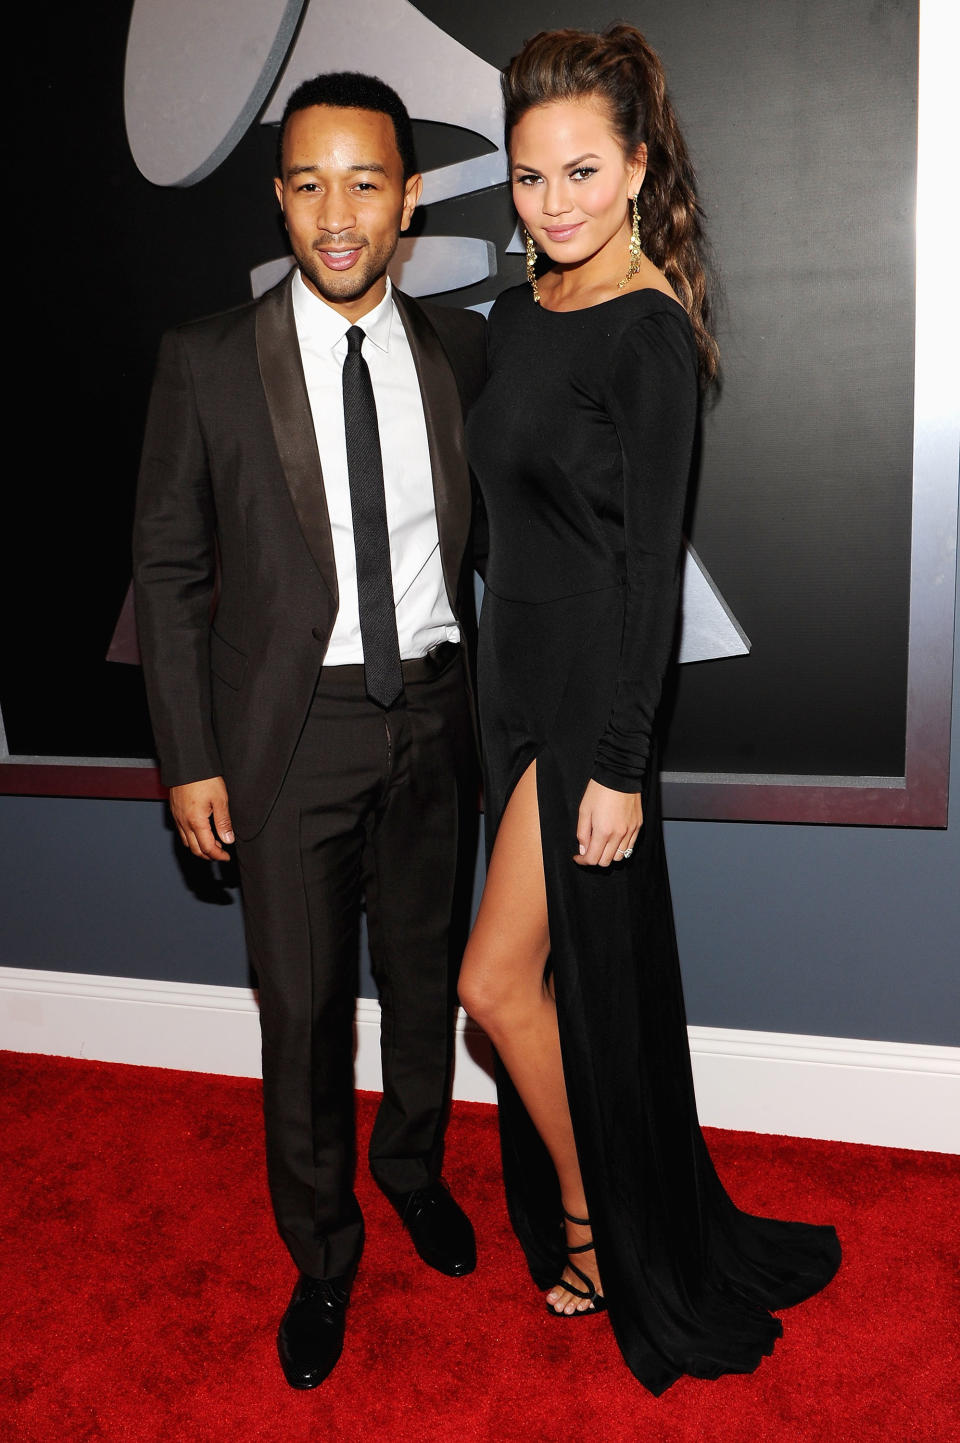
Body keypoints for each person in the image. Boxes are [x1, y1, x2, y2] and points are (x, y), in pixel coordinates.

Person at [459, 24, 840, 1394]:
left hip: (587, 718)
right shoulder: (512, 319)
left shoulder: (651, 336)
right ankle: (609, 1210)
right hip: (506, 703)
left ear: (634, 170)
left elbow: (647, 575)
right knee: (544, 988)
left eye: (580, 172)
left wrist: (619, 763)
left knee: (494, 987)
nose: (552, 203)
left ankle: (597, 1223)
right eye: (526, 178)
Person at [133, 71, 486, 1391]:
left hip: (435, 717)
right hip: (290, 737)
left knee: (423, 981)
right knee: (302, 1011)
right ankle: (323, 1254)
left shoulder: (460, 353)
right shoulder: (208, 361)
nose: (337, 214)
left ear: (405, 199)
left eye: (366, 182)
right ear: (280, 196)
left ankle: (413, 1172)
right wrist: (190, 758)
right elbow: (167, 573)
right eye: (307, 182)